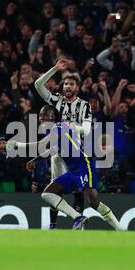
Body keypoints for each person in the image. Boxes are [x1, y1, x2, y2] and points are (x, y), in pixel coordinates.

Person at [10, 105, 123, 231]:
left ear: (52, 116)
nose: (41, 118)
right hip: (73, 171)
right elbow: (53, 149)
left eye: (44, 115)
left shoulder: (58, 126)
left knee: (93, 202)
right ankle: (78, 217)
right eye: (40, 115)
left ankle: (121, 230)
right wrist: (34, 160)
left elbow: (42, 145)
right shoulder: (55, 130)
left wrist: (17, 145)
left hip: (84, 165)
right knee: (47, 194)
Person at [34, 58, 92, 229]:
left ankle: (78, 223)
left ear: (77, 87)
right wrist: (54, 69)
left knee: (78, 190)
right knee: (54, 189)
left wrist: (72, 127)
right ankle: (53, 225)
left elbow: (87, 130)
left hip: (76, 152)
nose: (67, 86)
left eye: (71, 84)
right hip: (57, 152)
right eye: (65, 83)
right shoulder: (57, 101)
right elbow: (38, 85)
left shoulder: (84, 105)